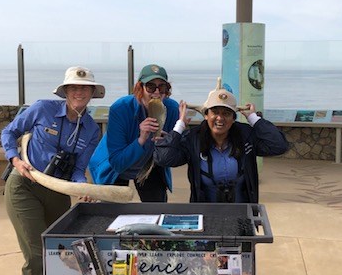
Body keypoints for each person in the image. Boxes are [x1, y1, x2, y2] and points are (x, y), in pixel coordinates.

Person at [1, 66, 103, 275]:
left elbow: (78, 170)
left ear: (92, 94)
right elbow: (10, 132)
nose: (79, 93)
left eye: (84, 89)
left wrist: (84, 188)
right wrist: (15, 160)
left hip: (57, 192)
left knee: (61, 259)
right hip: (24, 187)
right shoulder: (43, 109)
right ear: (65, 91)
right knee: (36, 260)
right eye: (73, 88)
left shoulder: (92, 130)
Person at [153, 82, 289, 203]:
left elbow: (279, 146)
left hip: (241, 213)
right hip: (205, 214)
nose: (220, 118)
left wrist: (254, 119)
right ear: (206, 115)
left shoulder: (245, 137)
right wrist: (180, 124)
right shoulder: (194, 139)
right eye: (215, 112)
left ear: (233, 118)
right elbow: (163, 158)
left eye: (226, 113)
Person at [88, 64, 179, 202]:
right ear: (140, 88)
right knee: (112, 212)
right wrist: (141, 139)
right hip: (114, 165)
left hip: (148, 164)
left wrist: (171, 142)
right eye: (150, 86)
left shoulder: (171, 109)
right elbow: (117, 163)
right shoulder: (121, 108)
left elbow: (170, 158)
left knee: (157, 209)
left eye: (162, 87)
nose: (156, 92)